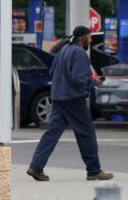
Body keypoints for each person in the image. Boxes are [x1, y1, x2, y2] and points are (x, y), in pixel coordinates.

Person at [26, 25, 114, 182]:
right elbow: (78, 79)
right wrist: (94, 82)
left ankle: (36, 167)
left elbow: (52, 71)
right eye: (90, 37)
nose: (91, 39)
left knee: (51, 133)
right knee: (86, 132)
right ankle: (94, 170)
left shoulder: (64, 50)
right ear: (83, 38)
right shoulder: (80, 53)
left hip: (59, 97)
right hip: (73, 99)